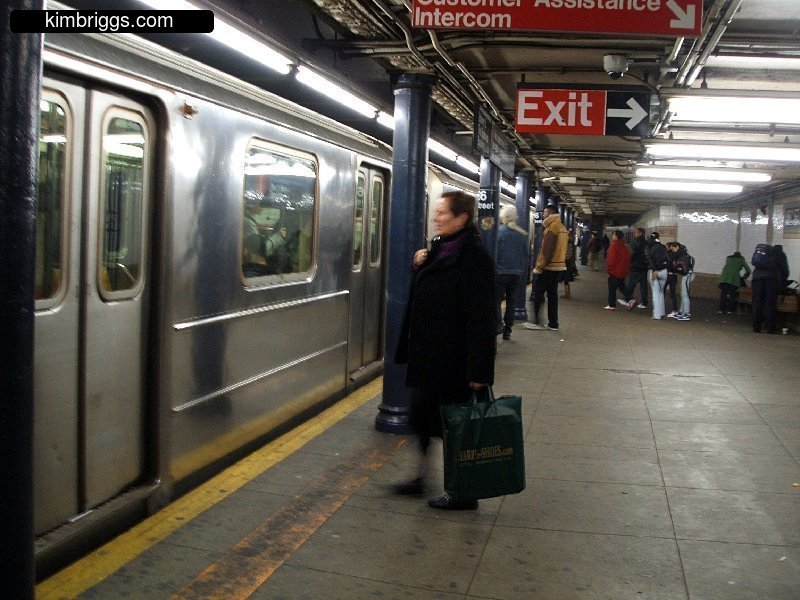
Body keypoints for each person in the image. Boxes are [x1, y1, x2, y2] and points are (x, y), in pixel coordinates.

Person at [393, 190, 496, 510]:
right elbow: (432, 289)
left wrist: (479, 371)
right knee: (422, 417)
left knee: (457, 426)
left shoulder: (474, 258)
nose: (435, 218)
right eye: (436, 213)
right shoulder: (440, 249)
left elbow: (482, 318)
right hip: (430, 356)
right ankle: (421, 477)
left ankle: (464, 492)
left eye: (442, 214)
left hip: (454, 360)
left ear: (461, 218)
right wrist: (419, 263)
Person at [524, 201, 568, 331]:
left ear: (550, 213)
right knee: (552, 295)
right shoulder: (562, 228)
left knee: (538, 293)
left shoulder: (552, 228)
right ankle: (553, 323)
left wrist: (539, 267)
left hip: (548, 267)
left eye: (544, 213)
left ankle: (536, 322)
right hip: (558, 267)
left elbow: (546, 250)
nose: (543, 215)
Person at [495, 205, 529, 340]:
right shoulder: (522, 235)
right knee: (511, 300)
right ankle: (508, 329)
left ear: (503, 216)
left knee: (496, 301)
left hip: (500, 272)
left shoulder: (498, 232)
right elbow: (526, 255)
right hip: (516, 273)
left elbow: (494, 253)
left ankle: (498, 325)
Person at [751, 243, 790, 334]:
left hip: (757, 278)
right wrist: (783, 281)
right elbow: (785, 270)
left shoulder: (761, 252)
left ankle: (756, 327)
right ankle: (770, 328)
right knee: (770, 303)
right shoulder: (780, 254)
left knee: (757, 302)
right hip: (771, 280)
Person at [605, 230, 636, 310]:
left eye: (613, 235)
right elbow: (628, 259)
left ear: (615, 236)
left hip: (614, 271)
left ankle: (611, 305)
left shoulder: (614, 245)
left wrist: (608, 270)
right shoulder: (625, 246)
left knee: (612, 288)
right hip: (622, 271)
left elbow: (612, 259)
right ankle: (630, 299)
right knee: (622, 286)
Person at [666, 242, 695, 321]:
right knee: (683, 294)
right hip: (687, 275)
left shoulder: (682, 256)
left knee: (685, 294)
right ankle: (682, 312)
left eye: (673, 249)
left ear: (677, 247)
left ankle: (686, 313)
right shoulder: (684, 255)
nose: (672, 251)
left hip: (687, 276)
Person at [646, 231, 669, 320]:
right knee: (661, 292)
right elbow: (668, 259)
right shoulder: (663, 247)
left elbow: (651, 261)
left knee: (655, 293)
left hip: (655, 271)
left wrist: (655, 271)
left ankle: (656, 315)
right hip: (664, 271)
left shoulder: (650, 248)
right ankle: (662, 312)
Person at [627, 227, 649, 309]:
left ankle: (628, 299)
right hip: (644, 267)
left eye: (636, 232)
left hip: (635, 267)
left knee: (631, 284)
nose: (635, 234)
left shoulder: (636, 243)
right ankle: (644, 302)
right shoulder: (647, 243)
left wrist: (629, 262)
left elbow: (632, 254)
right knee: (643, 286)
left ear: (640, 233)